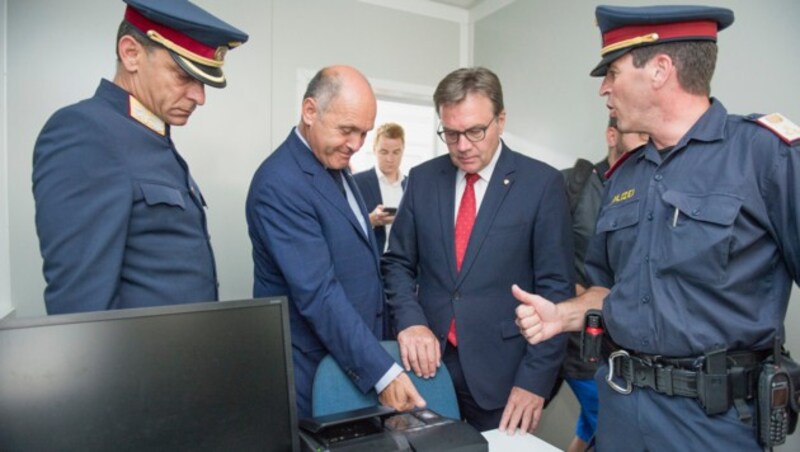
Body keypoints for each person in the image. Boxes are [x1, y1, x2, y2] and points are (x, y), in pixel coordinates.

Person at [514, 5, 800, 450]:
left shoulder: (765, 156)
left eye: (613, 71)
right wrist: (563, 315)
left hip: (713, 424)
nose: (604, 88)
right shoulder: (625, 176)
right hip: (622, 411)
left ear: (660, 70)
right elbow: (609, 293)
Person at [382, 67, 574, 433]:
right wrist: (411, 320)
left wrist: (535, 381)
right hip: (429, 367)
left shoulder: (541, 184)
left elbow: (557, 294)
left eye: (474, 131)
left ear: (500, 120)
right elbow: (397, 263)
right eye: (451, 134)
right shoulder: (423, 180)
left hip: (502, 375)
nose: (463, 146)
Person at [32, 0, 248, 314]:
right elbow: (80, 307)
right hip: (138, 361)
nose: (199, 97)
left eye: (203, 82)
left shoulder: (149, 135)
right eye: (183, 76)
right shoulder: (86, 133)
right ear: (131, 53)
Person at [245, 65, 425, 419]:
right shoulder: (280, 183)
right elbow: (319, 293)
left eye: (363, 133)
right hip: (313, 373)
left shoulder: (336, 166)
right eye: (347, 130)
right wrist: (383, 372)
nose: (357, 145)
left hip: (352, 358)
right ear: (310, 111)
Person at [558, 117, 647, 452]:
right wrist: (579, 293)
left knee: (589, 426)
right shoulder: (575, 185)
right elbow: (541, 251)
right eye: (641, 135)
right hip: (578, 341)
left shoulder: (645, 190)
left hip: (624, 343)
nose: (649, 144)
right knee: (607, 422)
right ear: (612, 135)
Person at [353, 122, 408, 254]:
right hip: (369, 263)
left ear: (403, 151)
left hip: (403, 266)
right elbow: (344, 227)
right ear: (374, 149)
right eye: (384, 152)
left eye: (396, 152)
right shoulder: (356, 183)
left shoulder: (412, 185)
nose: (390, 159)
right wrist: (371, 220)